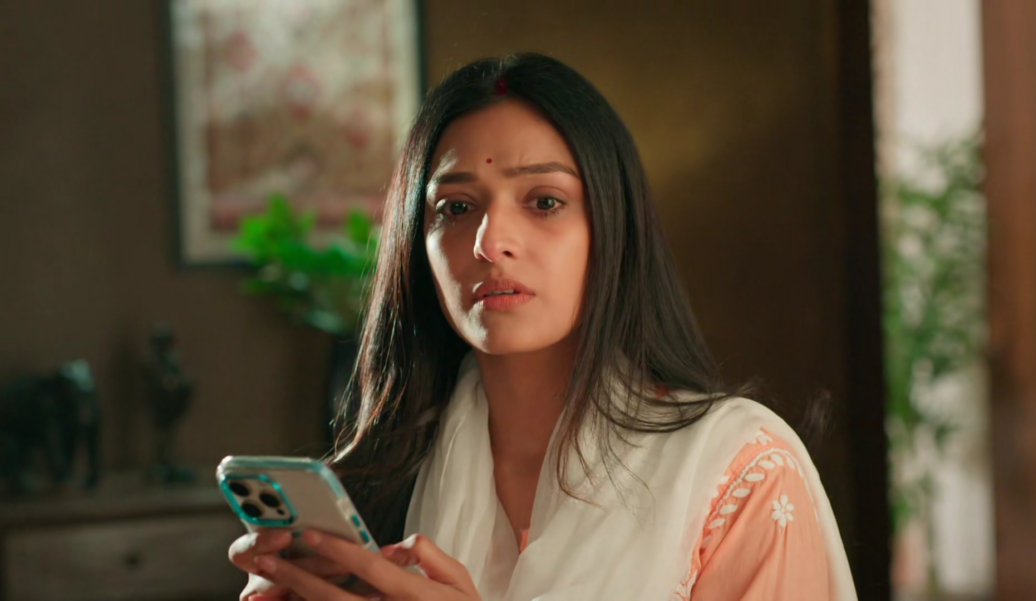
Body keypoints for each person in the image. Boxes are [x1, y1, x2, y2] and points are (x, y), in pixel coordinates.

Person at [229, 53, 857, 601]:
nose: (490, 241)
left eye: (545, 202)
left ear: (613, 226)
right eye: (456, 207)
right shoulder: (380, 485)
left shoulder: (737, 471)